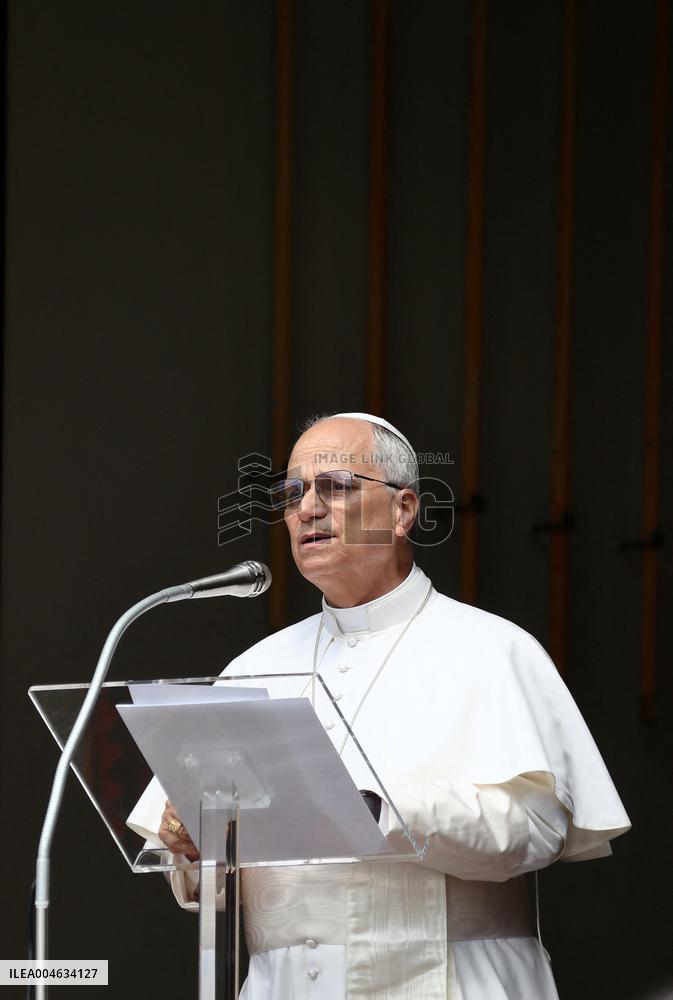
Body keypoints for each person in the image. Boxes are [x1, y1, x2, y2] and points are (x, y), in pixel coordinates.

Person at [158, 412, 631, 1000]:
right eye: (292, 493)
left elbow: (538, 826)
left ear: (403, 511)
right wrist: (194, 843)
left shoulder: (492, 648)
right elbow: (212, 879)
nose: (307, 509)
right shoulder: (252, 669)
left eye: (335, 486)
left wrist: (375, 810)